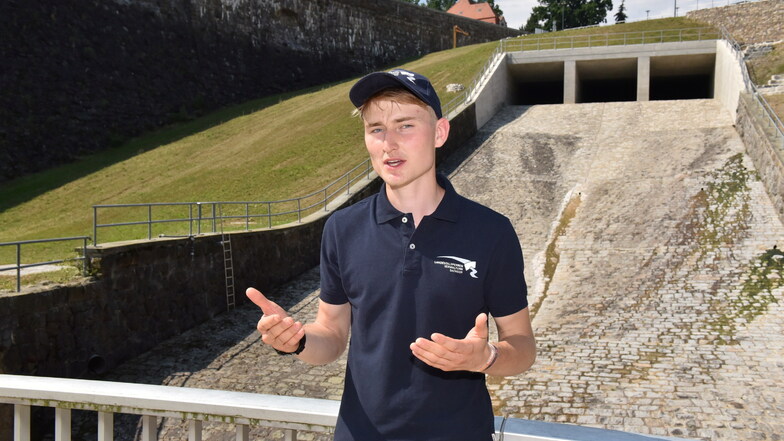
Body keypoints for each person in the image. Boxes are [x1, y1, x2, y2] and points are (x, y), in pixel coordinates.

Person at [246, 68, 536, 441]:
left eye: (405, 126)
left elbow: (523, 346)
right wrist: (298, 340)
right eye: (376, 129)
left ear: (440, 133)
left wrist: (486, 357)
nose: (388, 143)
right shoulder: (342, 228)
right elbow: (332, 335)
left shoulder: (492, 232)